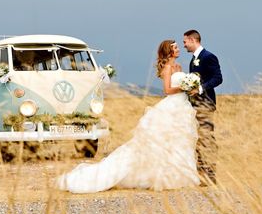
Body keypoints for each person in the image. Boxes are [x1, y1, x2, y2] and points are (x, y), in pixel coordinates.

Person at [57, 40, 200, 193]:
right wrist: (184, 87)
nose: (178, 49)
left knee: (178, 140)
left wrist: (190, 88)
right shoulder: (167, 67)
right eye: (175, 47)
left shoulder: (178, 67)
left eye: (178, 46)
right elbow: (167, 90)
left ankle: (179, 175)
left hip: (182, 106)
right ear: (169, 51)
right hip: (172, 105)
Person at [182, 29, 223, 185]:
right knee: (198, 138)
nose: (184, 45)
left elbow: (218, 78)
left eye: (185, 41)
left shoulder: (208, 57)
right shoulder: (194, 60)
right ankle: (201, 173)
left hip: (206, 104)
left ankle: (210, 175)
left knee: (207, 138)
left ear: (193, 40)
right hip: (195, 105)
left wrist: (200, 89)